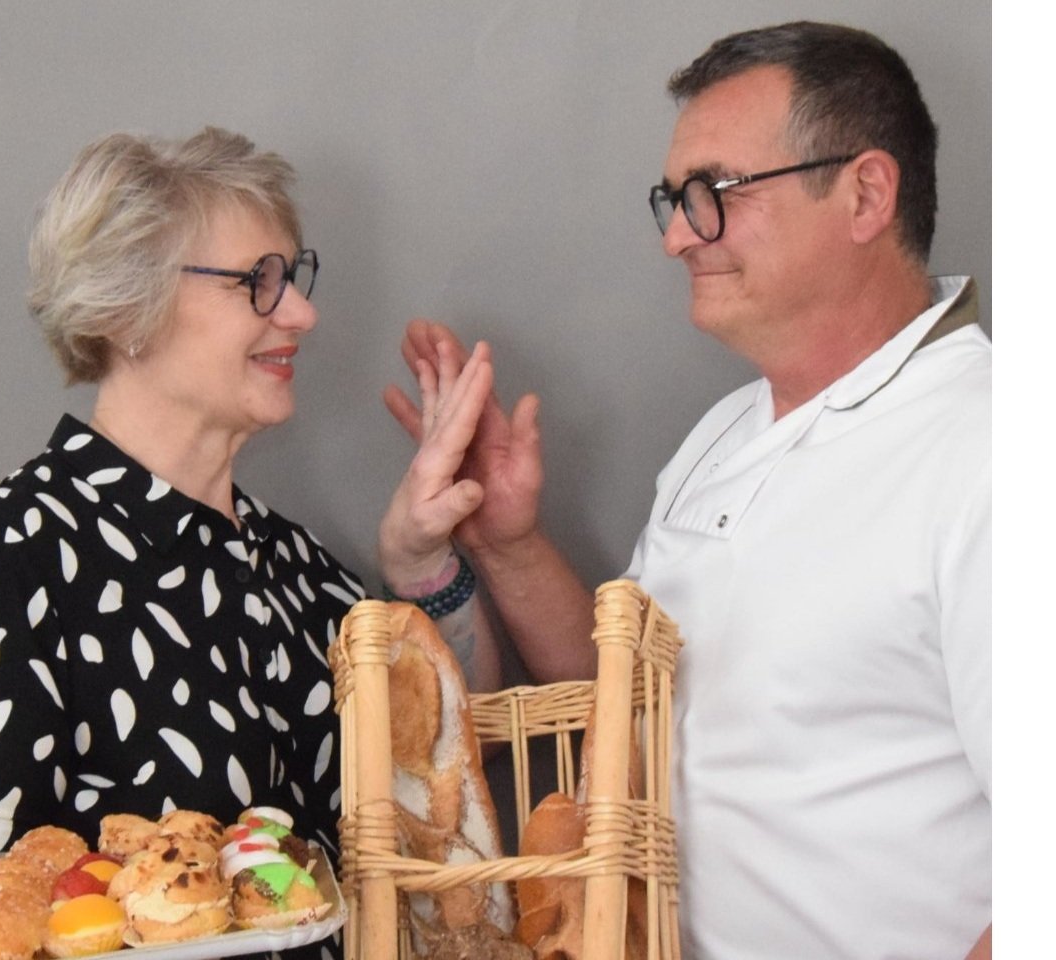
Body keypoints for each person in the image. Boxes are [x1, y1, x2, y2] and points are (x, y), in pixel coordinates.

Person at [379, 21, 990, 960]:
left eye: (713, 194)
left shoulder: (988, 446)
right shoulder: (721, 434)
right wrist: (507, 541)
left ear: (865, 192)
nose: (674, 237)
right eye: (671, 198)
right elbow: (631, 710)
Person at [0, 127, 489, 952]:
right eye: (257, 282)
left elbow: (445, 752)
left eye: (291, 277)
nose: (301, 311)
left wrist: (420, 564)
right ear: (126, 311)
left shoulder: (294, 565)